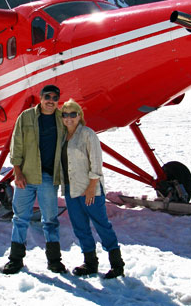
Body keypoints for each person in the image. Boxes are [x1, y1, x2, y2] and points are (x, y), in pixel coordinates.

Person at [0, 84, 67, 275]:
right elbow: (17, 145)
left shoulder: (62, 119)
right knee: (20, 218)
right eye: (47, 97)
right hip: (26, 176)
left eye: (55, 97)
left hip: (49, 178)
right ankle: (15, 260)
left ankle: (54, 261)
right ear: (41, 98)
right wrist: (17, 172)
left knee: (50, 220)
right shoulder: (26, 117)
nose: (51, 101)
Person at [60, 98, 125, 279]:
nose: (69, 118)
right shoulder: (62, 137)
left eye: (73, 114)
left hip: (89, 189)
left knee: (102, 224)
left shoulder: (88, 134)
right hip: (70, 189)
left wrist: (92, 186)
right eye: (65, 115)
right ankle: (90, 263)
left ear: (79, 116)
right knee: (80, 227)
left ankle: (117, 264)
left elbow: (96, 162)